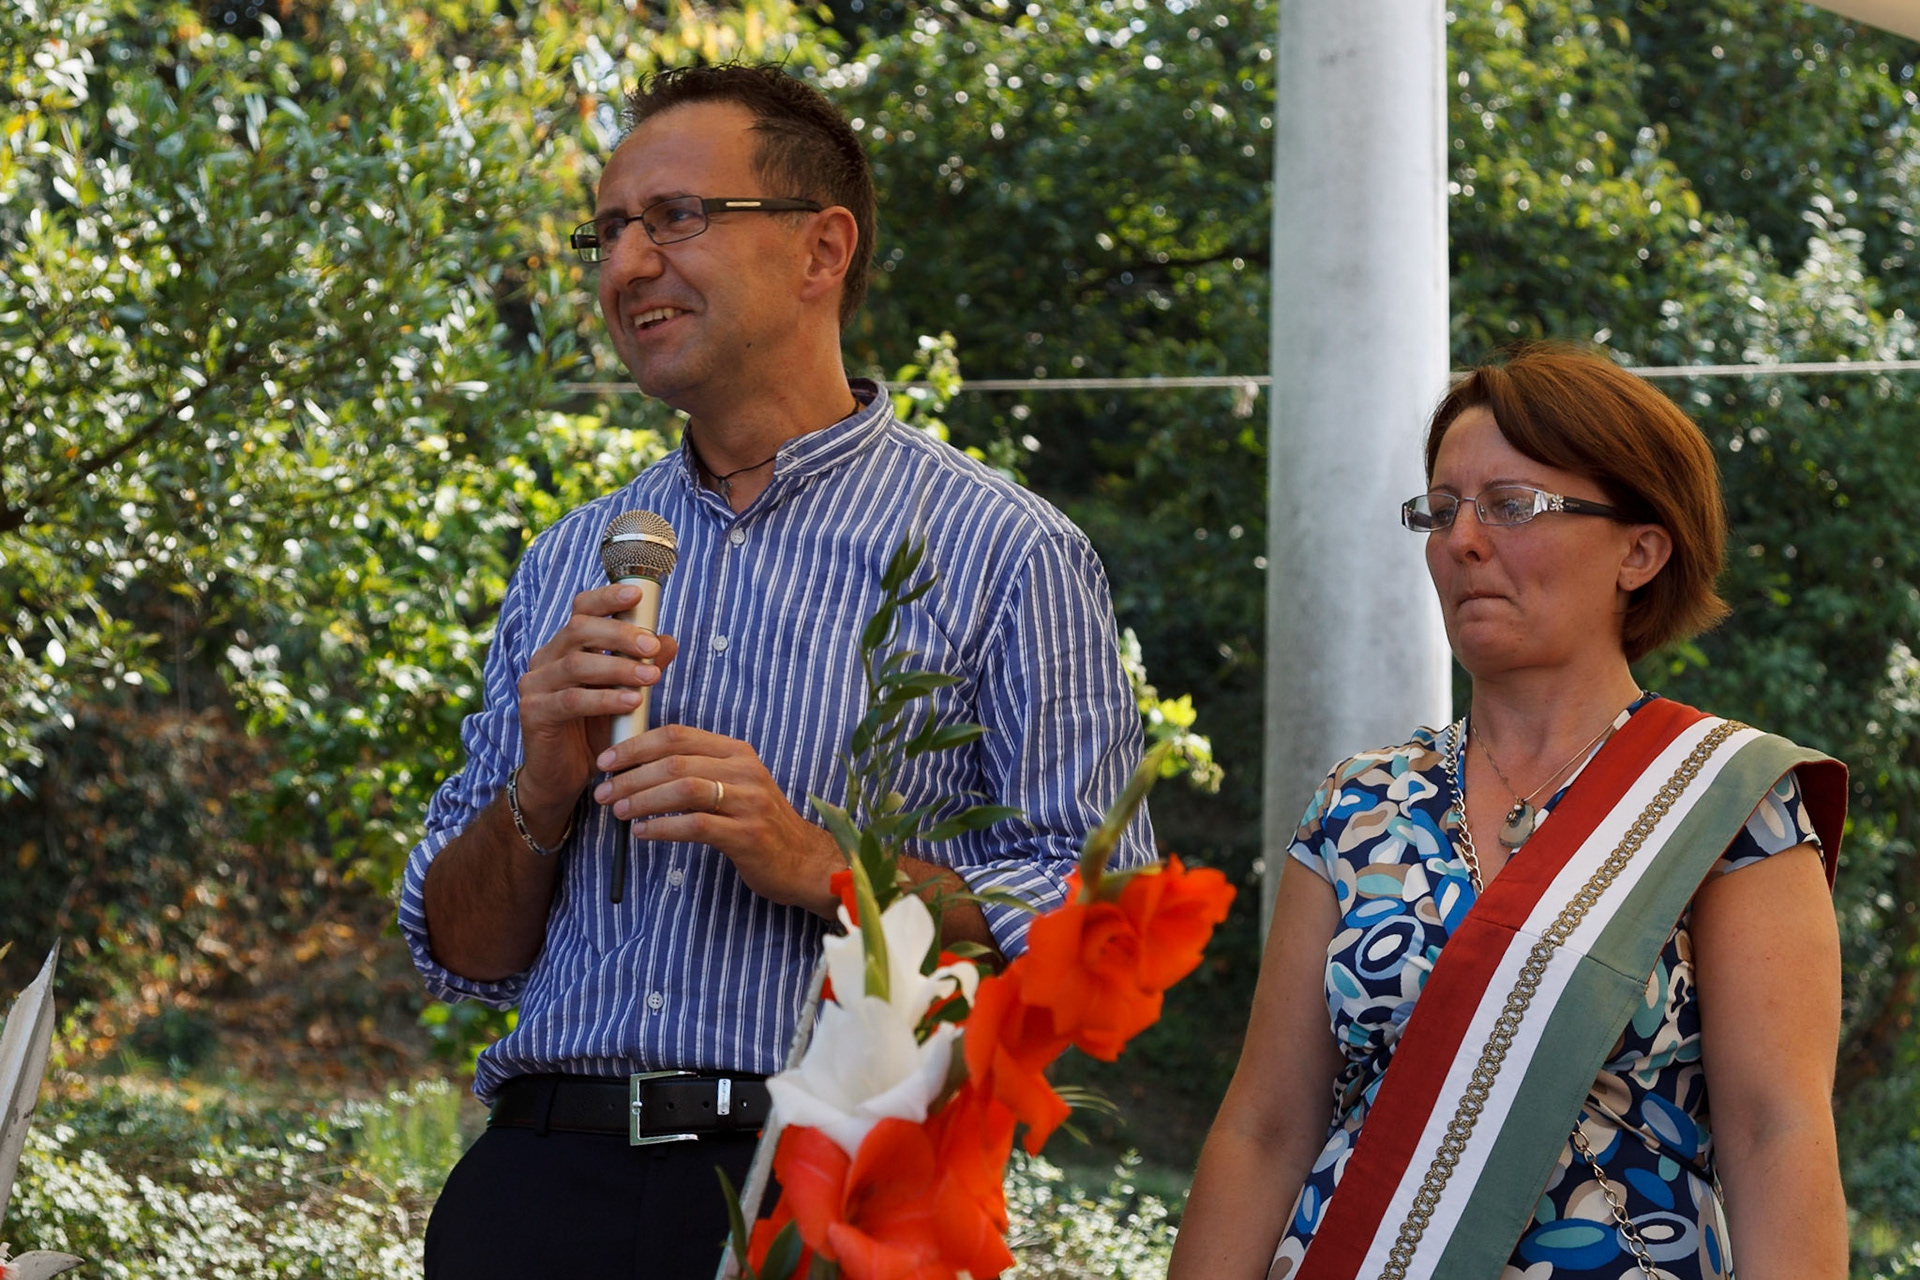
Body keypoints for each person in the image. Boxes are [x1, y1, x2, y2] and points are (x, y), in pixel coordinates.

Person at [399, 63, 1153, 1277]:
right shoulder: (569, 558)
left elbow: (1104, 918)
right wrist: (538, 794)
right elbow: (463, 950)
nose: (624, 264)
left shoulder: (1007, 552)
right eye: (606, 230)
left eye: (675, 218)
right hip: (537, 1187)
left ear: (822, 250)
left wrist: (822, 864)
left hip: (829, 1190)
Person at [1171, 344, 1848, 1280]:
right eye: (1442, 511)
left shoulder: (1730, 803)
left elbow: (1779, 1137)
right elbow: (1265, 1127)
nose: (1462, 541)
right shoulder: (1359, 804)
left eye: (1511, 506)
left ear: (1640, 551)